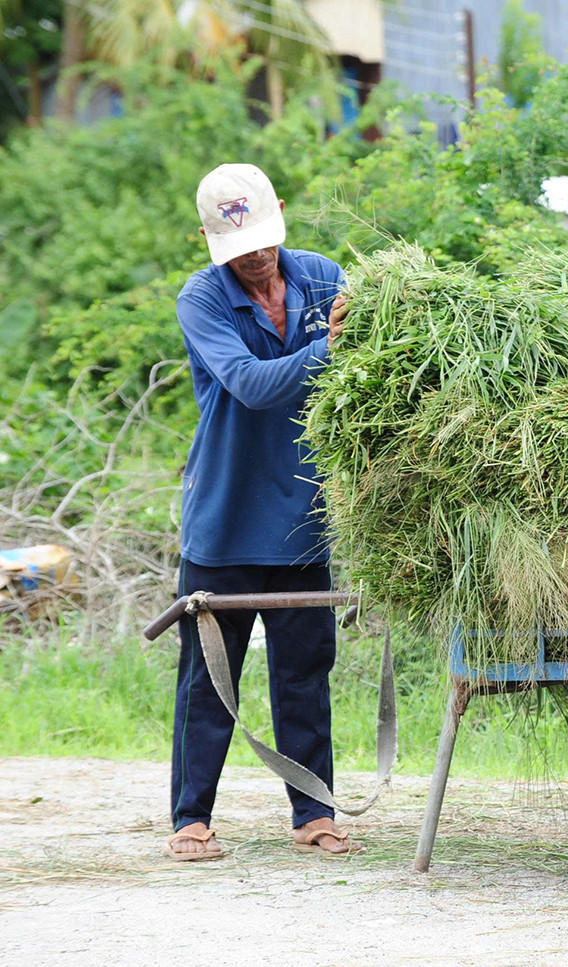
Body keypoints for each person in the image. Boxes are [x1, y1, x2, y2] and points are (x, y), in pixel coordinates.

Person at [164, 163, 354, 861]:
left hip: (303, 517)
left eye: (264, 237)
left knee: (306, 672)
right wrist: (327, 348)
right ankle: (190, 818)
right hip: (225, 518)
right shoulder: (202, 298)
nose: (256, 255)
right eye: (238, 245)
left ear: (280, 210)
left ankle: (314, 813)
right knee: (210, 679)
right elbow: (247, 383)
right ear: (210, 240)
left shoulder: (323, 277)